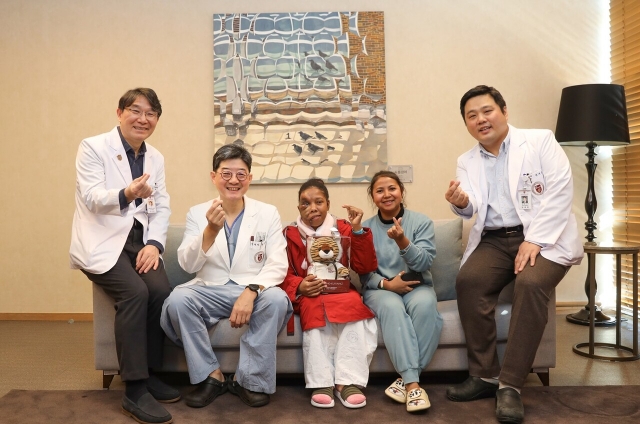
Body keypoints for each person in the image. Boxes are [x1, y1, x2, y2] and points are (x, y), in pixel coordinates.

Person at [444, 85, 583, 424]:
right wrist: (461, 203)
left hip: (544, 237)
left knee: (531, 284)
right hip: (494, 239)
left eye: (487, 110)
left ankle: (510, 385)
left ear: (504, 111)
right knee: (469, 281)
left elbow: (560, 191)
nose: (481, 120)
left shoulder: (540, 142)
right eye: (471, 116)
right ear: (466, 123)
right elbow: (472, 204)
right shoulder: (467, 160)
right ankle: (484, 374)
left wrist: (534, 240)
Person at [69, 88, 178, 424]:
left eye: (151, 114)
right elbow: (91, 197)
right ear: (120, 113)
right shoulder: (93, 147)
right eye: (136, 110)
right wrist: (127, 192)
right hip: (101, 240)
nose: (143, 119)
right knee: (135, 292)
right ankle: (133, 390)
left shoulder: (155, 158)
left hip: (137, 242)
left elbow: (160, 207)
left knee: (161, 291)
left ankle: (148, 371)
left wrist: (154, 244)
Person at [160, 144, 292, 409]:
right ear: (214, 177)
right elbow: (187, 263)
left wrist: (252, 290)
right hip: (210, 289)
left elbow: (278, 263)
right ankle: (212, 376)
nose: (234, 180)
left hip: (252, 290)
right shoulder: (198, 213)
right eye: (226, 173)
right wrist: (210, 229)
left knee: (277, 300)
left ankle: (250, 380)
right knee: (177, 300)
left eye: (241, 174)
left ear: (250, 178)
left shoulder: (267, 213)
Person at [282, 178, 378, 409]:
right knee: (314, 311)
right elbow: (279, 272)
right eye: (305, 204)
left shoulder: (344, 228)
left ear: (328, 204)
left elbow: (364, 267)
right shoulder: (288, 234)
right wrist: (299, 286)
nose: (312, 208)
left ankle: (347, 382)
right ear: (298, 209)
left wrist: (357, 230)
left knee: (354, 310)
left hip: (341, 291)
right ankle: (322, 382)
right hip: (310, 294)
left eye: (318, 202)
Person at [360, 170, 443, 413]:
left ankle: (405, 380)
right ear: (373, 197)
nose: (387, 194)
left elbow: (424, 263)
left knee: (426, 306)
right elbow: (364, 273)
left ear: (401, 191)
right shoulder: (365, 229)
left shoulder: (421, 222)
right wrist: (387, 285)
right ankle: (414, 385)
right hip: (381, 290)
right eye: (379, 190)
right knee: (392, 307)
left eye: (392, 188)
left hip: (417, 285)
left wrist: (402, 241)